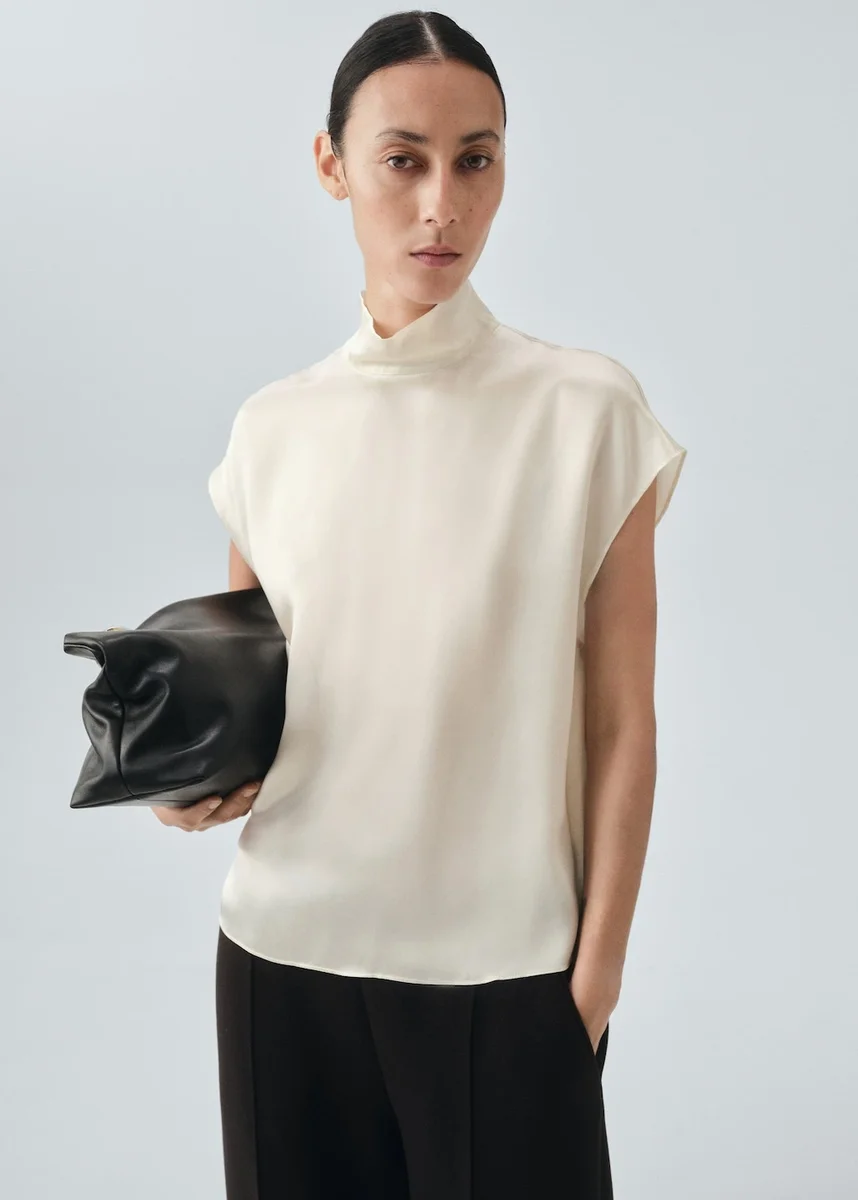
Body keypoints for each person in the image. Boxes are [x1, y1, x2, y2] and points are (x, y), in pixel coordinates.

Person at [155, 10, 687, 1198]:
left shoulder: (588, 416)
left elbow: (624, 724)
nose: (442, 204)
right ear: (332, 164)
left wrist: (592, 986)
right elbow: (262, 718)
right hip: (282, 963)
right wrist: (193, 785)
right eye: (403, 160)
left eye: (475, 160)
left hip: (511, 981)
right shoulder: (271, 431)